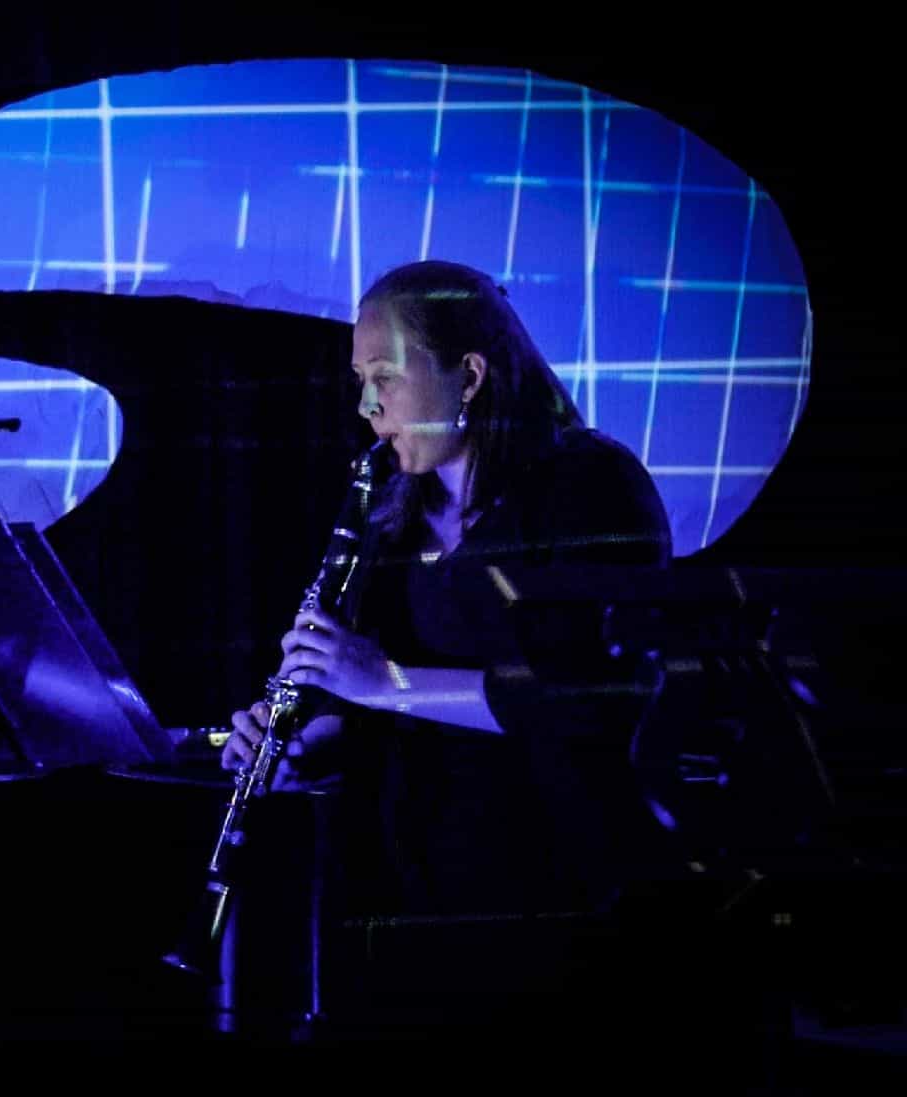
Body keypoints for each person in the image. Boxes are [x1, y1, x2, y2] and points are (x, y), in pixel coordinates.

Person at [218, 260, 711, 1082]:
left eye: (384, 377)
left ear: (470, 376)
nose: (367, 407)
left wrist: (382, 680)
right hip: (411, 898)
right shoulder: (389, 512)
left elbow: (593, 694)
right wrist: (305, 744)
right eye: (360, 381)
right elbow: (379, 710)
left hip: (558, 902)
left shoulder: (592, 485)